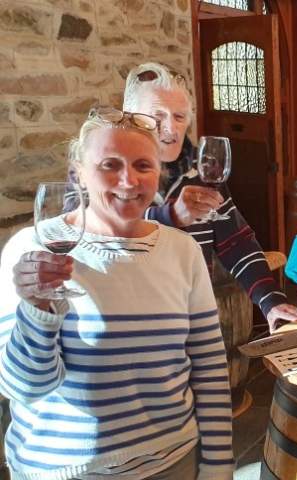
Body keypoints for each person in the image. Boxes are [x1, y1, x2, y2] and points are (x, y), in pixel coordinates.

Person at [0, 108, 233, 479]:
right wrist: (37, 309)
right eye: (109, 164)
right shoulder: (32, 249)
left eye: (143, 165)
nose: (129, 180)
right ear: (78, 171)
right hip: (68, 471)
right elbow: (24, 388)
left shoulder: (181, 250)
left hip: (174, 461)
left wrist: (219, 466)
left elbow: (208, 369)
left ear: (160, 171)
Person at [122, 62, 297, 332]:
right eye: (157, 116)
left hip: (190, 325)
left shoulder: (201, 174)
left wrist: (270, 301)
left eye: (179, 116)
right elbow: (97, 237)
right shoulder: (104, 171)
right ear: (129, 116)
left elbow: (236, 242)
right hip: (128, 330)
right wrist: (169, 217)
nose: (171, 129)